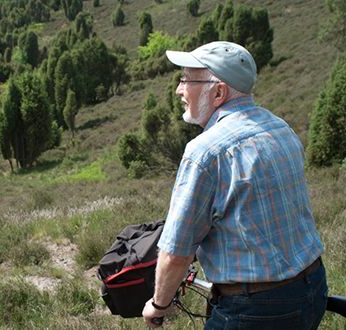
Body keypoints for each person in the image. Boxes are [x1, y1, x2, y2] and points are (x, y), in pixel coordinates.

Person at [142, 41, 327, 329]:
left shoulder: (205, 152)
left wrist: (158, 305)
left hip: (255, 309)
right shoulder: (280, 127)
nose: (179, 89)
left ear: (218, 92)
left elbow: (177, 252)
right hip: (312, 288)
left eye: (187, 79)